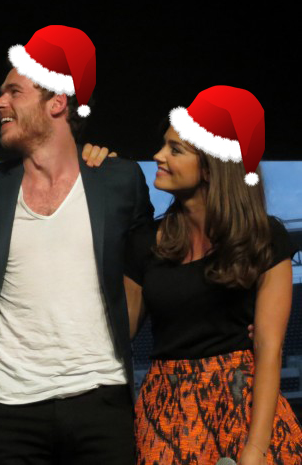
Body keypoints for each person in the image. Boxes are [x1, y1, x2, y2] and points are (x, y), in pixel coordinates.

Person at [0, 25, 153, 464]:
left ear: (57, 102)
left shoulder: (119, 180)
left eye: (13, 92)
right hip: (7, 411)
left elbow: (148, 272)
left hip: (101, 404)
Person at [123, 86, 302, 465]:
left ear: (210, 167)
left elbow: (269, 349)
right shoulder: (144, 243)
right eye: (163, 146)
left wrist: (254, 451)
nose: (158, 156)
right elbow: (118, 330)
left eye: (175, 149)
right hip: (166, 416)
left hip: (244, 408)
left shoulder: (264, 238)